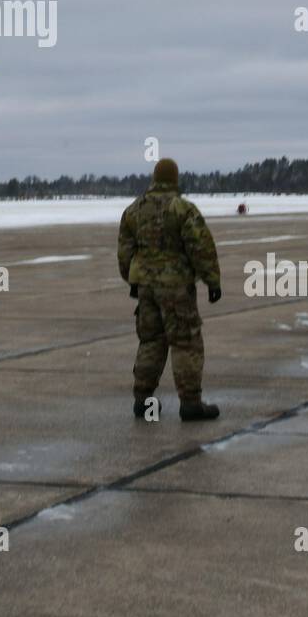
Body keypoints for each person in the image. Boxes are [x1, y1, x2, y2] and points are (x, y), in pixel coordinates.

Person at [118, 158, 222, 421]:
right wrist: (212, 281)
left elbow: (125, 251)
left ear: (154, 178)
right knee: (186, 342)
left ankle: (143, 401)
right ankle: (190, 403)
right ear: (175, 179)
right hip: (176, 288)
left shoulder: (134, 210)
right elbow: (201, 247)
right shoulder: (183, 209)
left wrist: (133, 281)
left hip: (147, 288)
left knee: (151, 341)